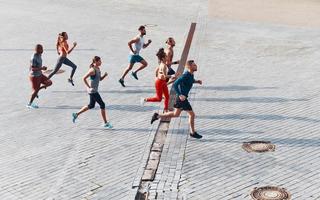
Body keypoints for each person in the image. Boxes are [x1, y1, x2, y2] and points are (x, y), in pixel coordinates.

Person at [150, 60, 203, 139]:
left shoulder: (191, 75)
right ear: (190, 67)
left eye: (195, 65)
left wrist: (196, 81)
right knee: (192, 114)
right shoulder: (185, 75)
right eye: (194, 65)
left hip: (182, 99)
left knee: (175, 114)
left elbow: (190, 81)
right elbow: (175, 84)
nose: (196, 66)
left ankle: (157, 116)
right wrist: (180, 94)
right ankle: (192, 132)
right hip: (182, 99)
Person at [72, 56, 112, 128]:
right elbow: (84, 78)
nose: (101, 62)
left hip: (94, 90)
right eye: (99, 61)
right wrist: (89, 87)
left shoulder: (98, 69)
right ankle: (105, 123)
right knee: (102, 104)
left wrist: (105, 76)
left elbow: (100, 79)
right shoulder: (92, 70)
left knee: (91, 105)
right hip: (93, 91)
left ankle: (76, 114)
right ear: (95, 62)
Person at [141, 48, 177, 112]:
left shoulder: (162, 64)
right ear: (163, 58)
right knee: (159, 99)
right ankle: (144, 99)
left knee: (167, 96)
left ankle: (166, 109)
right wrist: (172, 76)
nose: (167, 57)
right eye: (166, 57)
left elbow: (157, 71)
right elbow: (165, 76)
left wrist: (158, 75)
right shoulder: (164, 66)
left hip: (162, 81)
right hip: (159, 82)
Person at [27, 44, 52, 109]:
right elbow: (32, 69)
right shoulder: (34, 58)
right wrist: (41, 68)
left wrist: (41, 69)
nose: (42, 50)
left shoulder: (39, 54)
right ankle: (29, 104)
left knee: (49, 82)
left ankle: (37, 90)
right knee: (35, 91)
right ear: (36, 50)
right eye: (40, 49)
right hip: (34, 76)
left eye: (42, 49)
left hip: (40, 75)